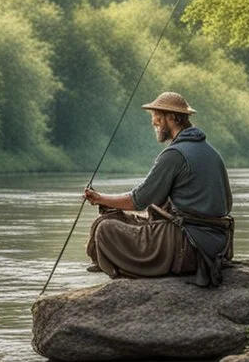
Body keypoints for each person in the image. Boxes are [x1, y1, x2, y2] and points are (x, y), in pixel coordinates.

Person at [83, 91, 234, 287]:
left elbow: (138, 200)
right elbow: (226, 204)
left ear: (172, 117)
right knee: (108, 220)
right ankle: (117, 263)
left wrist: (99, 198)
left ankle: (121, 271)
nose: (153, 121)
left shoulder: (174, 155)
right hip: (218, 245)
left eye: (156, 116)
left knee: (105, 228)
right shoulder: (212, 152)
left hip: (187, 247)